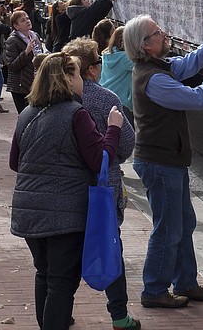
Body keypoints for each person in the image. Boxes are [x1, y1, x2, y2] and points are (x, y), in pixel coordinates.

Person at [9, 52, 123, 330]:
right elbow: (100, 161)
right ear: (68, 79)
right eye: (76, 73)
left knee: (45, 274)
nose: (82, 79)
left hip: (28, 211)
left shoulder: (27, 114)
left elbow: (15, 162)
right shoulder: (76, 114)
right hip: (64, 215)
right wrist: (113, 129)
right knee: (61, 282)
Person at [123, 15, 203, 308]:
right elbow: (197, 99)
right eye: (158, 33)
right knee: (169, 228)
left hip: (167, 159)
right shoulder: (153, 78)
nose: (164, 34)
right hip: (160, 161)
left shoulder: (158, 67)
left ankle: (185, 282)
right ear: (145, 45)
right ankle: (154, 290)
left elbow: (189, 63)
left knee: (182, 223)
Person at [62, 38, 139, 329]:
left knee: (65, 256)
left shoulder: (55, 97)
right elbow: (127, 143)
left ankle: (61, 312)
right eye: (98, 61)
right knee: (109, 249)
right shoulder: (105, 98)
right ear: (91, 69)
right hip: (103, 186)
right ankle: (119, 315)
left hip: (66, 189)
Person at [4, 10, 45, 113]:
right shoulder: (12, 41)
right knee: (25, 115)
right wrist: (26, 52)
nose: (27, 21)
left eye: (27, 18)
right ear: (16, 26)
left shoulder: (35, 36)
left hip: (36, 82)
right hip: (21, 86)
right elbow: (12, 66)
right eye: (23, 20)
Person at [100, 26, 134, 123]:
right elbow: (143, 64)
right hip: (122, 101)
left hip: (106, 94)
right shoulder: (125, 58)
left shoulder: (106, 55)